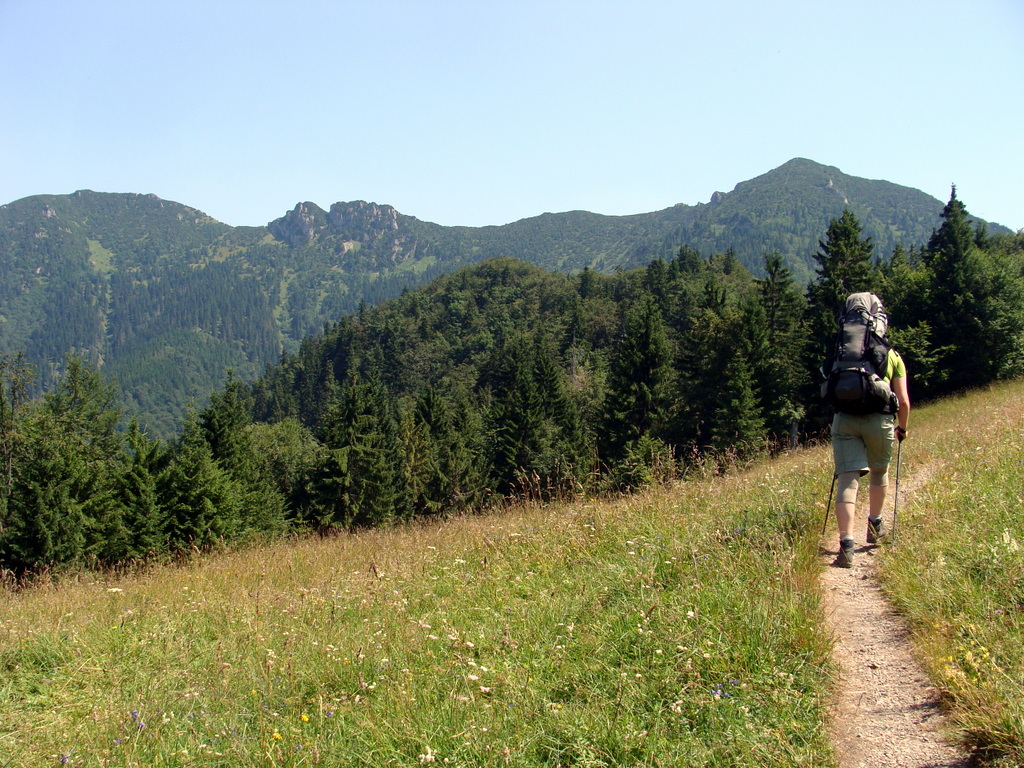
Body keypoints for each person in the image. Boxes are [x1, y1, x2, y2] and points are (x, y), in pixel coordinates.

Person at [830, 294, 910, 568]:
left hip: (844, 419)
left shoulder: (839, 351)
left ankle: (846, 543)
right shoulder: (890, 354)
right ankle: (875, 526)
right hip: (879, 420)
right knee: (879, 471)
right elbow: (904, 401)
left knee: (847, 479)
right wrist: (902, 428)